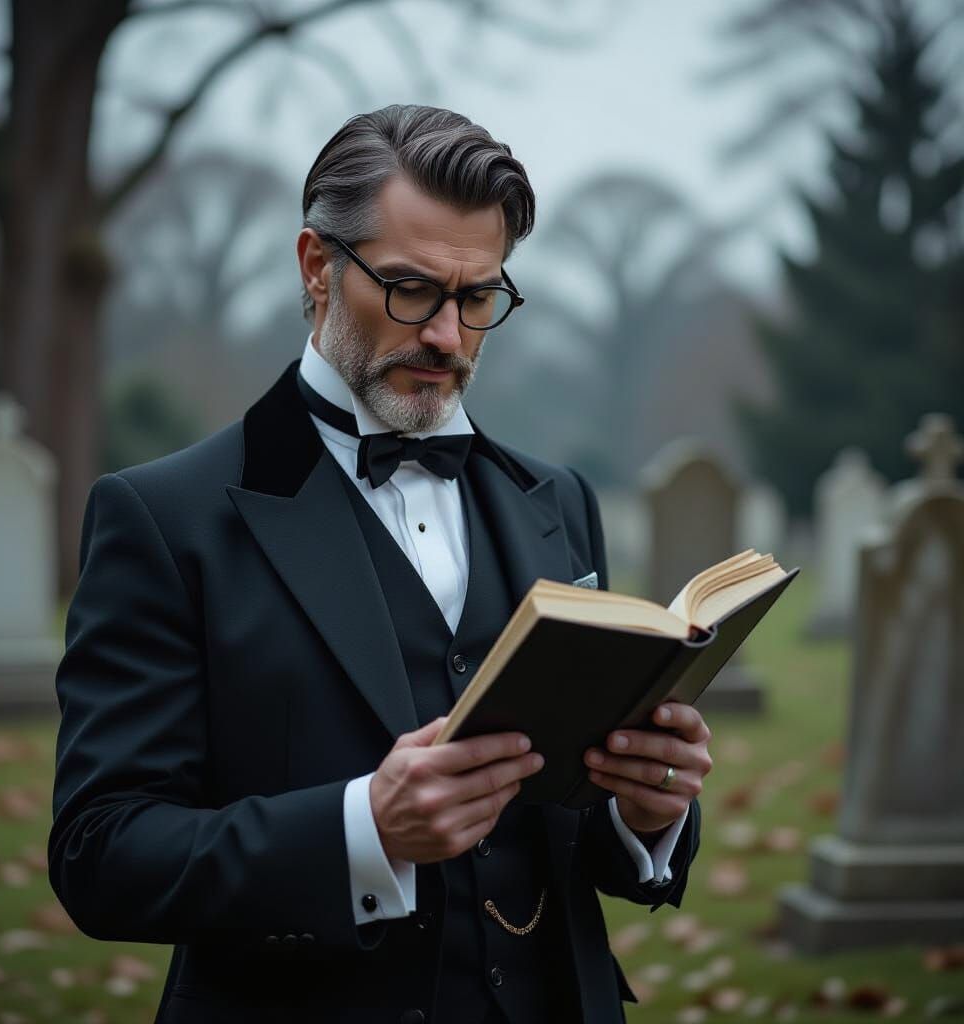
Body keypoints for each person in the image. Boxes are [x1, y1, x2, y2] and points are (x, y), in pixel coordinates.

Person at [49, 104, 712, 1024]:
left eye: (478, 297)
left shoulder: (558, 500)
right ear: (317, 267)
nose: (446, 333)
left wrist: (646, 817)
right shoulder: (163, 518)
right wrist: (361, 831)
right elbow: (101, 853)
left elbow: (567, 832)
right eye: (409, 289)